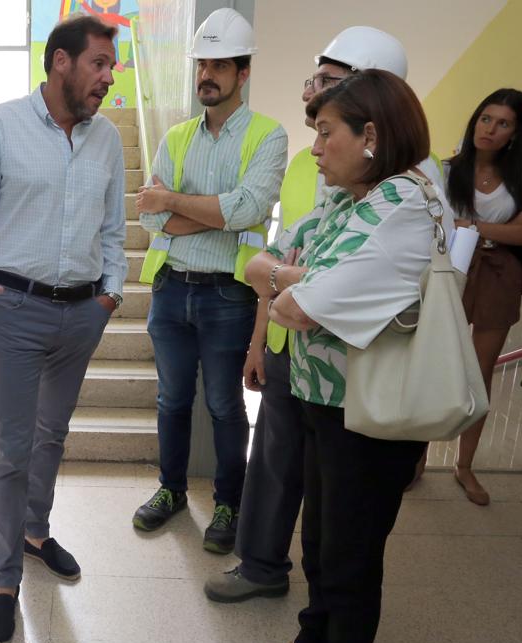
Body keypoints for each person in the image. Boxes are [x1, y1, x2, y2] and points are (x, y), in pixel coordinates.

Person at [242, 70, 443, 643]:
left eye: (326, 133)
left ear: (372, 135)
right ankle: (314, 640)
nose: (315, 147)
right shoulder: (349, 199)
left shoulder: (401, 204)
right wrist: (289, 277)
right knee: (323, 543)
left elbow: (296, 307)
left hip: (368, 415)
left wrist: (284, 281)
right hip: (322, 399)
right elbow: (263, 262)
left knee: (352, 556)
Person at [206, 26, 413, 603]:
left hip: (352, 372)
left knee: (338, 515)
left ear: (371, 95)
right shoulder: (308, 161)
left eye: (328, 81)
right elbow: (270, 259)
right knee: (273, 467)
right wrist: (258, 338)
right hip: (290, 344)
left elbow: (323, 278)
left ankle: (329, 627)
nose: (310, 93)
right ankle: (263, 568)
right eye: (313, 79)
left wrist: (287, 278)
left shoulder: (407, 185)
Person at [0, 14, 127, 643]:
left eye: (112, 63)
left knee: (53, 433)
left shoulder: (107, 141)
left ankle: (35, 531)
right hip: (17, 310)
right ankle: (2, 582)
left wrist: (110, 294)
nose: (109, 76)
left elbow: (114, 227)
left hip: (83, 311)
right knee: (11, 447)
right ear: (60, 63)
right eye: (99, 63)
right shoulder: (2, 125)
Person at [131, 7, 287, 555]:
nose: (208, 75)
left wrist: (175, 202)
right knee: (171, 399)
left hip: (228, 293)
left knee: (224, 405)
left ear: (243, 73)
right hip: (172, 286)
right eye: (203, 64)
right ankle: (170, 491)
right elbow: (149, 218)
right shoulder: (176, 137)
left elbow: (247, 209)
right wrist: (211, 212)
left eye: (221, 65)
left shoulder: (269, 135)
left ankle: (228, 502)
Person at [435, 89, 522, 505]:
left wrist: (472, 225)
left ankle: (465, 466)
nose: (490, 129)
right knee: (438, 361)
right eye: (485, 118)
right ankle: (416, 458)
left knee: (480, 372)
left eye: (503, 123)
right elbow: (439, 225)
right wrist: (501, 226)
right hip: (452, 270)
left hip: (499, 273)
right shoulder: (445, 170)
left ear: (515, 133)